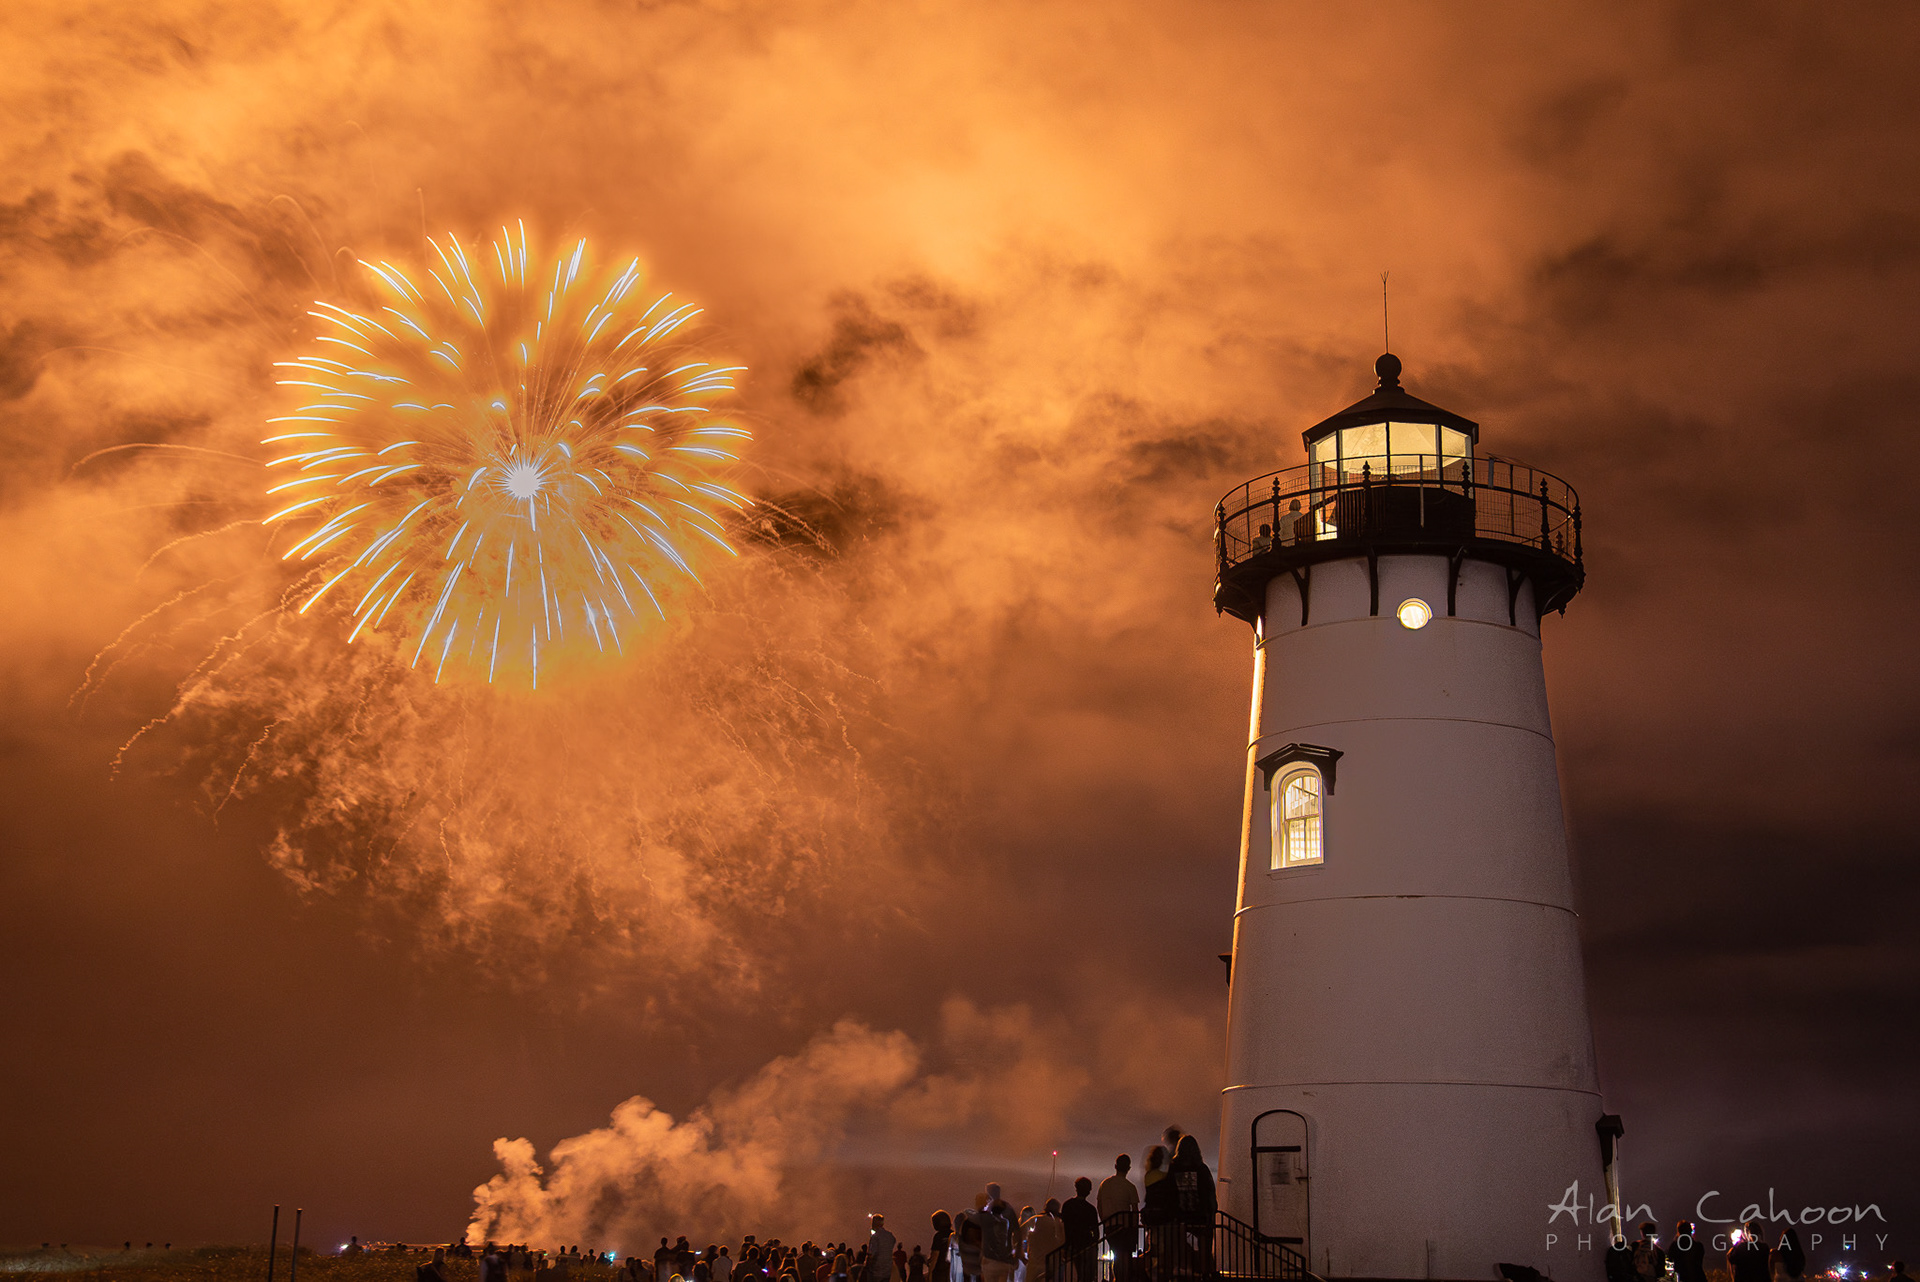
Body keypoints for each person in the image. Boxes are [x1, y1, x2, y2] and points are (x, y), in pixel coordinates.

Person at [1169, 1135, 1216, 1279]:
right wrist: (1212, 1212)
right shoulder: (1202, 1169)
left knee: (1178, 1242)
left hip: (1179, 1215)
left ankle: (1181, 1270)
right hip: (1200, 1214)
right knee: (1204, 1243)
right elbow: (1209, 1192)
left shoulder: (1173, 1168)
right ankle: (1204, 1272)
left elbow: (1169, 1191)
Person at [1098, 1154, 1140, 1282]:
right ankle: (1123, 1278)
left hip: (1110, 1225)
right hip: (1125, 1226)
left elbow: (1099, 1205)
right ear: (1129, 1168)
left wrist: (1104, 1221)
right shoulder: (1130, 1187)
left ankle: (1116, 1278)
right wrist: (1134, 1227)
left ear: (1115, 1166)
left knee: (1116, 1253)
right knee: (1125, 1256)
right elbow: (1135, 1211)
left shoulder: (1105, 1184)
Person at [1140, 1146, 1175, 1281]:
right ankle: (1158, 1274)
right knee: (1162, 1249)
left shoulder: (1149, 1175)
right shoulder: (1161, 1177)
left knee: (1154, 1246)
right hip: (1162, 1218)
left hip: (1152, 1217)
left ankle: (1151, 1271)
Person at [1059, 1179, 1099, 1282]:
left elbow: (1064, 1226)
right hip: (1086, 1244)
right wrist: (1094, 1243)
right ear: (1089, 1191)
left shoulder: (1068, 1205)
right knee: (1085, 1275)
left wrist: (1065, 1245)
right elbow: (1096, 1230)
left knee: (1072, 1273)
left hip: (1072, 1244)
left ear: (1076, 1188)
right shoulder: (1090, 1209)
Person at [980, 1185, 1020, 1282]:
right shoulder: (1008, 1209)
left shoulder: (986, 1211)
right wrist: (1018, 1253)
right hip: (1006, 1256)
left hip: (989, 1258)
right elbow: (1018, 1232)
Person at [1021, 1201, 1063, 1282]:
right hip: (1051, 1267)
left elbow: (1018, 1234)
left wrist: (1021, 1255)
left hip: (1033, 1264)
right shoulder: (1059, 1224)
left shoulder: (1035, 1220)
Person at [865, 1218, 897, 1282]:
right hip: (887, 1270)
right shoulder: (890, 1236)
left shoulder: (875, 1237)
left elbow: (871, 1254)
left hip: (877, 1271)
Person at [929, 1212, 954, 1282]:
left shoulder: (938, 1236)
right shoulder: (954, 1235)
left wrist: (930, 1273)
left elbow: (935, 1256)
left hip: (940, 1272)